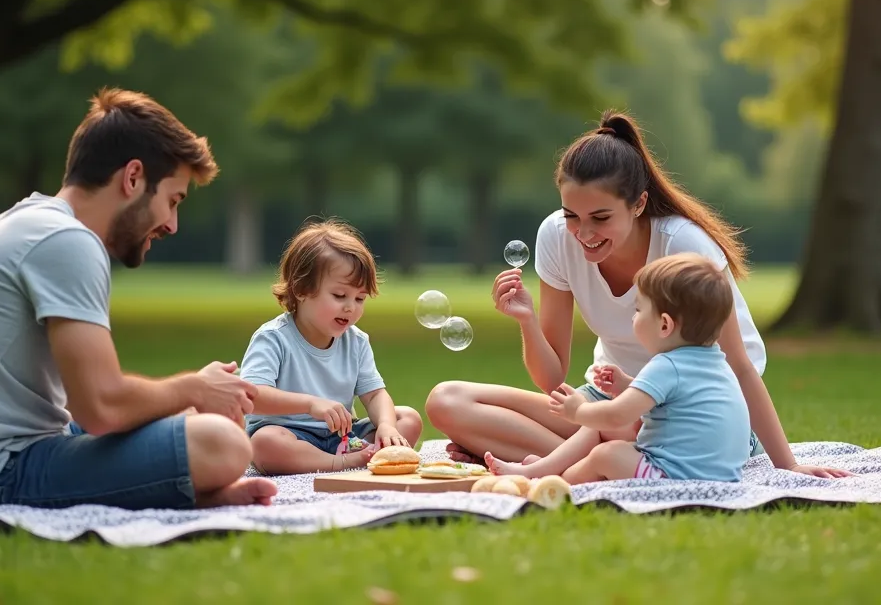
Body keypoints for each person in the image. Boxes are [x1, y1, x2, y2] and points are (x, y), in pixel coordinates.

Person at [0, 88, 278, 511]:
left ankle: (195, 493)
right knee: (223, 443)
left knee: (192, 423)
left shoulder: (35, 222)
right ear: (133, 178)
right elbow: (101, 407)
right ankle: (194, 483)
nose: (172, 225)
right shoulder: (67, 241)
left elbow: (88, 404)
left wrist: (194, 398)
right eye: (172, 200)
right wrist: (193, 387)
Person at [425, 110, 850, 479]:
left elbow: (739, 366)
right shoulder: (556, 236)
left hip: (689, 418)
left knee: (600, 431)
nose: (583, 234)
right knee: (447, 401)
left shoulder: (685, 247)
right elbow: (553, 381)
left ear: (639, 203)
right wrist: (527, 321)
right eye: (572, 214)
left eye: (600, 217)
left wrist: (788, 465)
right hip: (612, 407)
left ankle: (570, 465)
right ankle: (587, 465)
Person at [486, 253, 753, 483]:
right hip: (718, 475)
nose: (634, 317)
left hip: (674, 478)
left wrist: (578, 410)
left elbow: (616, 416)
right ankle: (541, 469)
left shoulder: (667, 365)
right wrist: (626, 384)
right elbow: (671, 400)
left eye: (638, 309)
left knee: (607, 453)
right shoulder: (714, 360)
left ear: (664, 325)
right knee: (601, 429)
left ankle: (557, 481)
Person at [240, 219, 422, 474]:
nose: (351, 307)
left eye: (360, 298)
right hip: (290, 435)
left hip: (344, 437)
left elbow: (374, 395)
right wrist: (310, 404)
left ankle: (356, 455)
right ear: (301, 289)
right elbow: (253, 397)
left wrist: (387, 426)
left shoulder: (356, 341)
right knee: (265, 443)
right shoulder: (274, 338)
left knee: (407, 419)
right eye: (339, 296)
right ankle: (344, 463)